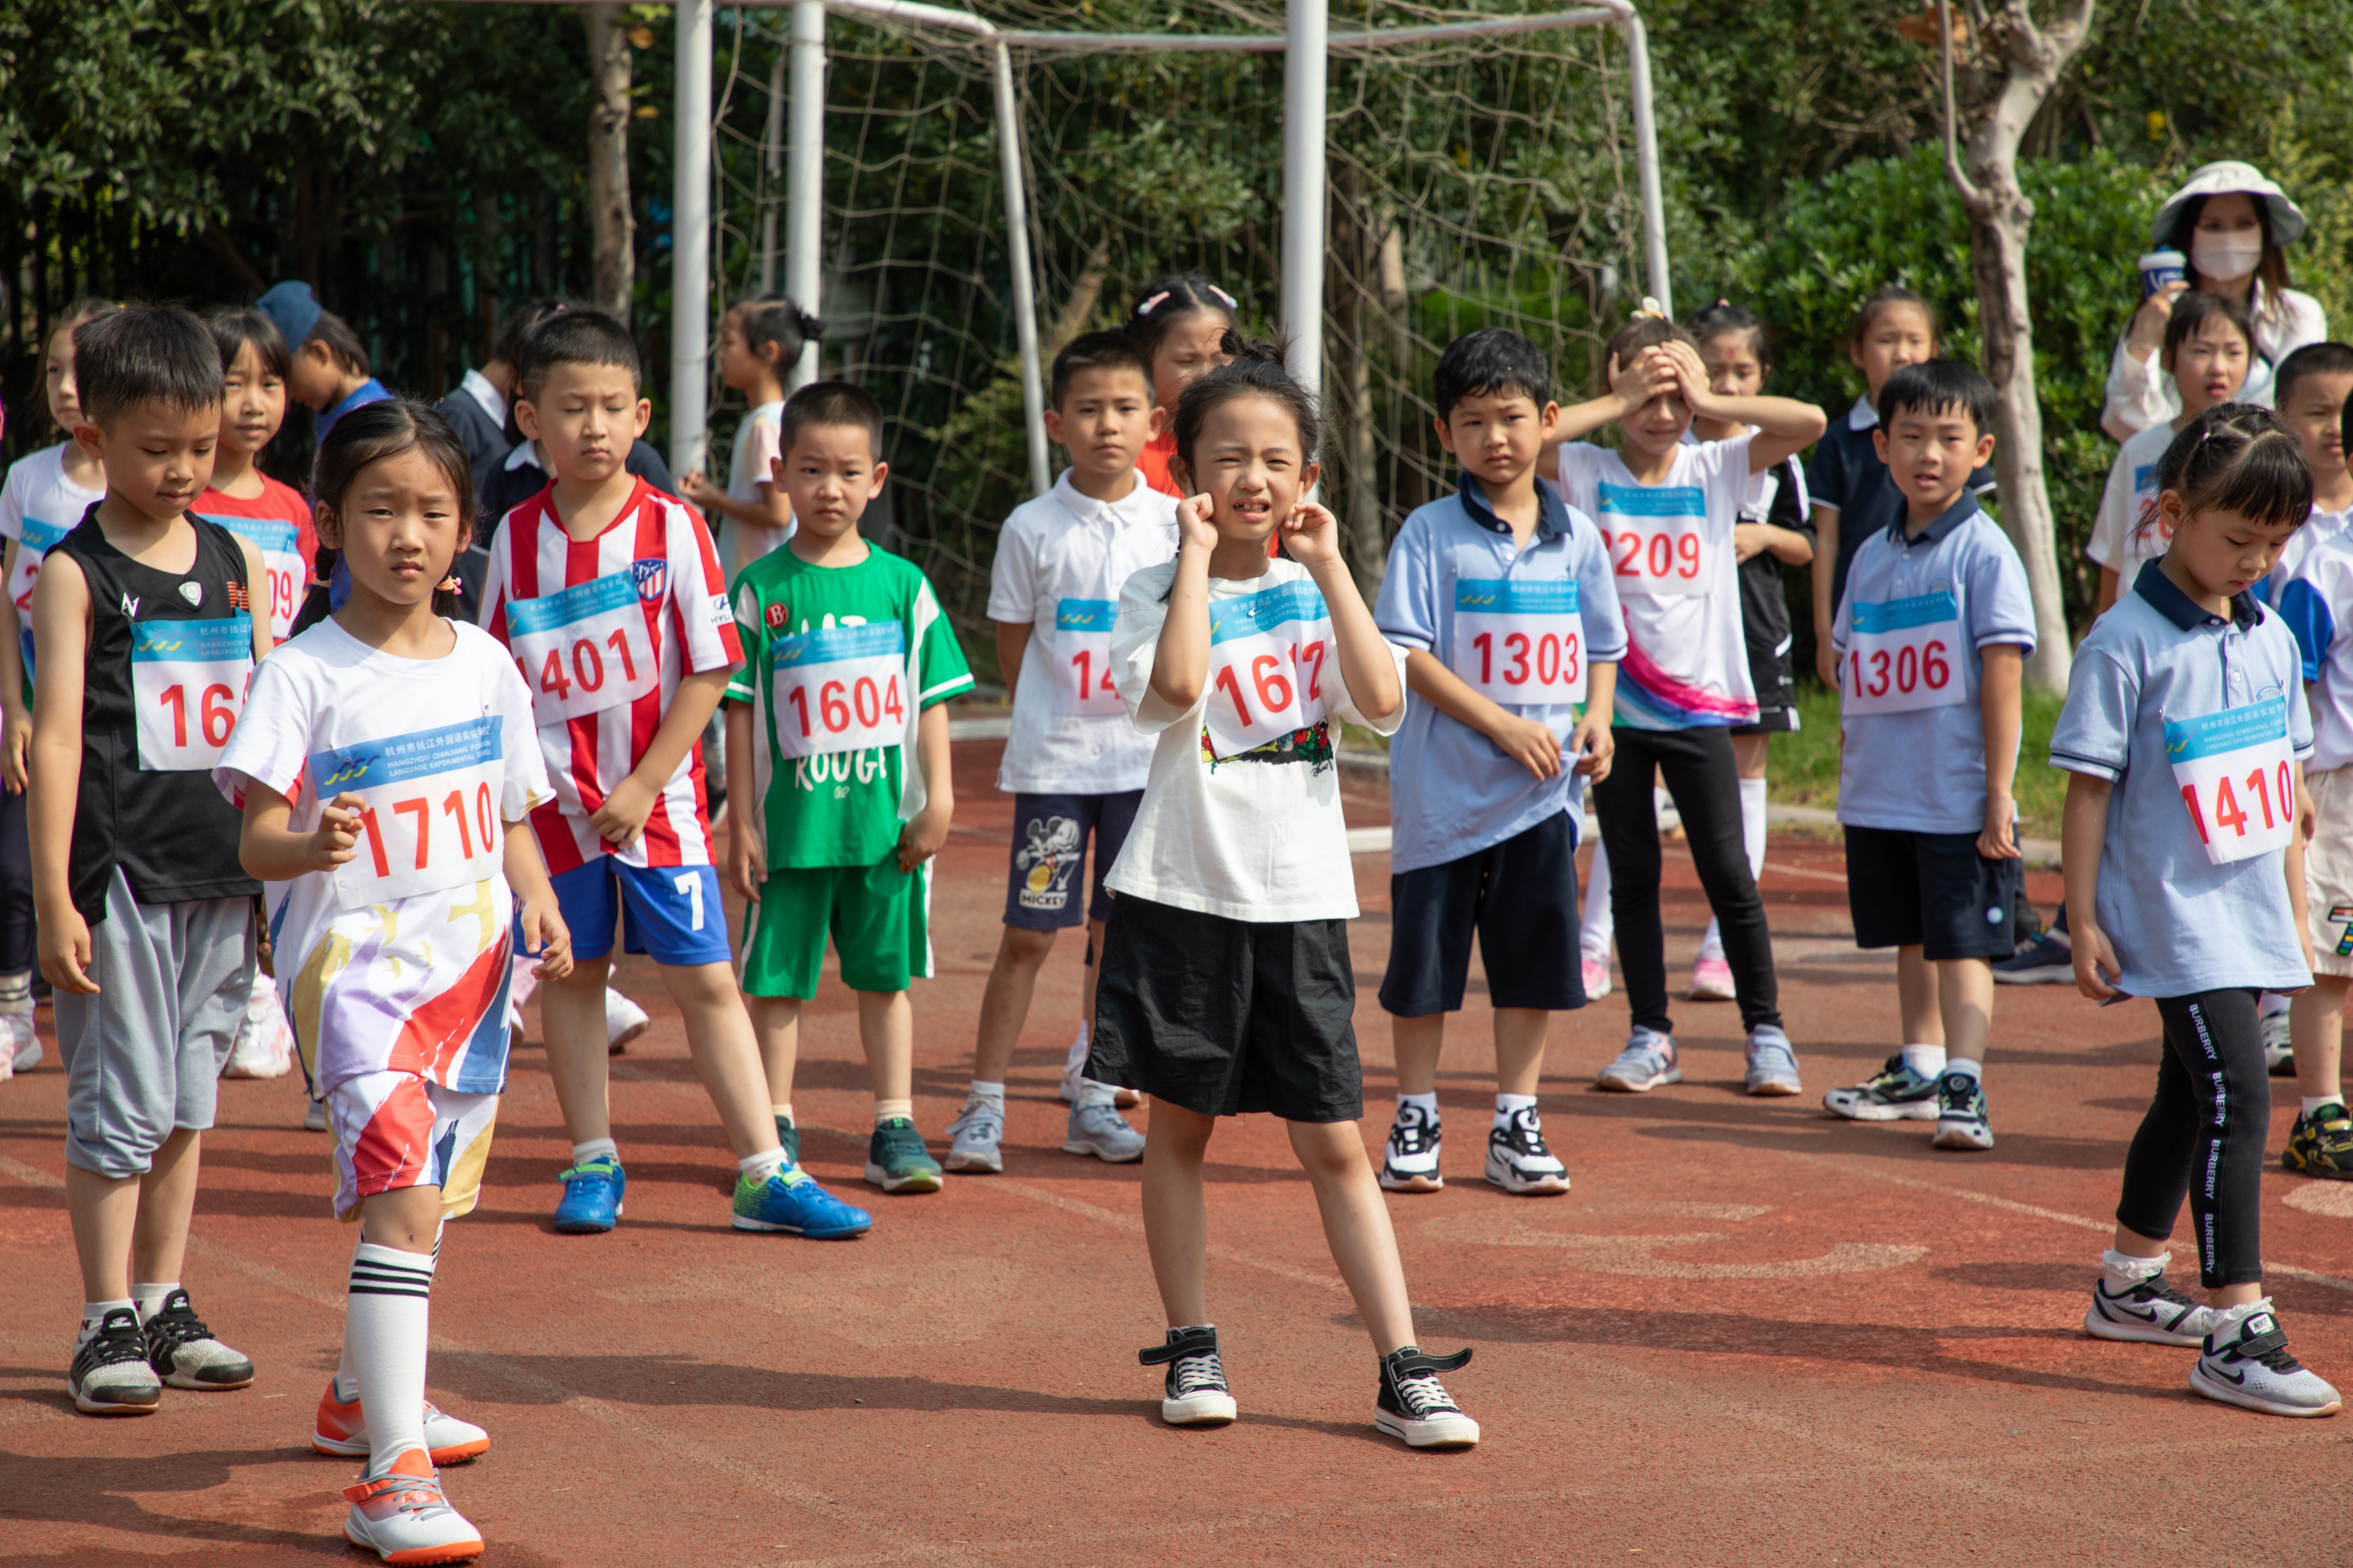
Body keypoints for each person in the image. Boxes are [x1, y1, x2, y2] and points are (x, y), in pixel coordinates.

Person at [1084, 333, 1480, 1449]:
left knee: (1335, 1141)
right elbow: (1172, 690)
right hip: (1181, 891)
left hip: (1300, 897)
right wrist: (1199, 565)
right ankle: (1192, 1341)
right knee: (1182, 1128)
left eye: (1275, 459)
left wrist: (1335, 568)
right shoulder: (1154, 585)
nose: (1251, 478)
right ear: (1184, 471)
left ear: (1308, 479)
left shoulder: (1320, 588)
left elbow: (1383, 701)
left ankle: (1402, 1366)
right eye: (1226, 457)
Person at [215, 400, 571, 1562]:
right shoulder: (304, 674)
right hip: (356, 978)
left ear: (466, 531)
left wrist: (538, 897)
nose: (405, 535)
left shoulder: (485, 663)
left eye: (431, 512)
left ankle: (359, 1396)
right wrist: (306, 844)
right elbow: (253, 839)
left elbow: (511, 806)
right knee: (404, 1194)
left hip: (474, 973)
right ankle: (391, 1476)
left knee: (429, 1201)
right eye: (379, 510)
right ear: (328, 524)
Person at [479, 308, 855, 1238]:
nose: (594, 427)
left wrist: (646, 782)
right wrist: (523, 802)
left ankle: (765, 1169)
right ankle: (592, 1159)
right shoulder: (514, 543)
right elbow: (492, 679)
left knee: (707, 981)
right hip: (555, 816)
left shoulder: (675, 527)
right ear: (530, 420)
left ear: (641, 415)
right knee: (574, 977)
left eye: (612, 407)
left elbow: (712, 662)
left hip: (660, 810)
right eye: (572, 408)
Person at [2056, 403, 2340, 1418]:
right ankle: (2237, 1326)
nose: (2254, 561)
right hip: (2173, 916)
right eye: (2236, 539)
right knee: (2242, 1100)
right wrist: (2082, 912)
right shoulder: (2124, 642)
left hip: (2249, 905)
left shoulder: (2265, 632)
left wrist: (2296, 819)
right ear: (2172, 514)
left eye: (2272, 543)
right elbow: (2087, 786)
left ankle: (2130, 1280)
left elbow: (2284, 759)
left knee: (2189, 1093)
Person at [29, 304, 270, 1416]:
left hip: (219, 873)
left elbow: (269, 723)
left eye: (201, 447)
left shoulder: (237, 564)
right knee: (116, 1103)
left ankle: (167, 1298)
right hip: (121, 878)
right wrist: (51, 897)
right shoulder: (78, 573)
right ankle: (102, 1314)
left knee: (187, 1100)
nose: (181, 470)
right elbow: (61, 737)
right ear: (99, 433)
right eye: (156, 449)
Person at [1544, 308, 1826, 1098]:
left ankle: (1766, 1032)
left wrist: (1711, 397)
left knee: (1728, 873)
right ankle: (1649, 1033)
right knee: (1631, 871)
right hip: (1617, 711)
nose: (1663, 416)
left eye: (1677, 400)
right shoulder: (1590, 470)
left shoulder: (1715, 466)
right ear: (1616, 384)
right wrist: (1622, 393)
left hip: (1702, 709)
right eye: (1647, 397)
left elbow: (1809, 422)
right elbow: (1530, 441)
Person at [1371, 326, 1623, 1195]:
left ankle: (1516, 1118)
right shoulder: (1429, 532)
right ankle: (1416, 1111)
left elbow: (1602, 643)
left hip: (1541, 799)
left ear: (1548, 421)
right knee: (1425, 972)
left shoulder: (1579, 537)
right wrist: (1502, 725)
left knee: (1528, 967)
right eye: (1472, 421)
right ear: (1444, 434)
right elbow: (1405, 651)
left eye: (1512, 417)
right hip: (1444, 800)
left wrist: (1597, 718)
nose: (1495, 437)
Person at [723, 381, 974, 1194]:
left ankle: (893, 1123)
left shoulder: (905, 587)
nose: (830, 487)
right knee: (779, 983)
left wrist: (938, 801)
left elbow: (931, 701)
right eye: (811, 469)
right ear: (781, 473)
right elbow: (736, 710)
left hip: (883, 833)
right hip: (791, 832)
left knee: (885, 979)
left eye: (848, 471)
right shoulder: (759, 589)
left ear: (878, 478)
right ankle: (777, 1118)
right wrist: (740, 823)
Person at [947, 331, 1173, 1175]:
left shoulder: (1171, 522)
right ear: (1056, 422)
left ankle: (1092, 1097)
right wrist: (1056, 716)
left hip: (1142, 769)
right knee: (1031, 935)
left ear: (1152, 421)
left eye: (1124, 409)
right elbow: (1014, 650)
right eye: (1088, 409)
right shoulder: (1031, 527)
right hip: (1058, 771)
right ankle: (983, 1103)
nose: (1107, 425)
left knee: (1116, 939)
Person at [1816, 361, 2033, 1150]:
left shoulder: (1982, 552)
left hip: (1955, 793)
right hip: (1882, 793)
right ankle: (1919, 1064)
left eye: (1947, 439)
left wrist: (1997, 794)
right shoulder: (1870, 554)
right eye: (1910, 436)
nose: (1928, 454)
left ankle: (1964, 1084)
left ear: (1980, 450)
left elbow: (2003, 679)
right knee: (1910, 935)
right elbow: (1854, 664)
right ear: (1880, 445)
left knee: (1963, 941)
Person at [193, 306, 316, 1084]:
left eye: (270, 383)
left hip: (275, 718)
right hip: (203, 719)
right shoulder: (185, 501)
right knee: (214, 862)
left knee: (274, 860)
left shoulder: (295, 508)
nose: (253, 401)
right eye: (234, 382)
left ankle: (267, 997)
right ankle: (225, 995)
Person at [0, 298, 116, 1081]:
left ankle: (111, 1014)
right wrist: (14, 706)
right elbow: (7, 603)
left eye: (84, 369)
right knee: (15, 865)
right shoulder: (27, 480)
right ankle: (14, 1012)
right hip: (38, 711)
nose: (68, 386)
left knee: (100, 867)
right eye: (53, 371)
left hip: (111, 725)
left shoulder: (146, 482)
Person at [1685, 301, 1814, 1001]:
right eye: (1715, 370)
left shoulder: (1775, 460)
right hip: (1678, 641)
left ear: (1762, 376)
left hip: (1755, 634)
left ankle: (1719, 948)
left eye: (1742, 371)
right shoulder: (1666, 451)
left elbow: (1804, 546)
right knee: (1652, 790)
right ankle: (1596, 939)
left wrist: (1760, 537)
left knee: (1744, 784)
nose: (1729, 384)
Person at [1808, 287, 1996, 692]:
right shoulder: (1837, 442)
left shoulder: (1958, 434)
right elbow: (1824, 542)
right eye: (1886, 340)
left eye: (1914, 340)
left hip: (1940, 616)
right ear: (1857, 352)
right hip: (1868, 615)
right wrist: (1825, 635)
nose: (1901, 353)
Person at [2265, 352, 2353, 1176]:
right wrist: (2291, 773)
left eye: (2346, 410)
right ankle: (2318, 1106)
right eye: (2315, 410)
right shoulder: (2298, 548)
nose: (2334, 428)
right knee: (2330, 949)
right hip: (2329, 779)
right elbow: (2289, 674)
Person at [2104, 161, 2327, 441]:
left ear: (2265, 232)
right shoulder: (2158, 315)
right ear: (2188, 235)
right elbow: (2127, 423)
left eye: (2244, 224)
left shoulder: (2298, 315)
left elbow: (2293, 410)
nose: (2229, 238)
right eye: (2213, 226)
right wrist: (2141, 345)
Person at [2089, 291, 2254, 614]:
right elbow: (2111, 555)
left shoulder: (2255, 454)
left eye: (2233, 352)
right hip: (2137, 623)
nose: (2218, 367)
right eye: (2202, 351)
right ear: (2168, 359)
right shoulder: (2139, 450)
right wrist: (2102, 626)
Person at [680, 292, 821, 581]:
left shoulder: (766, 425)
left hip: (762, 586)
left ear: (768, 352)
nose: (721, 354)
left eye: (729, 342)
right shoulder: (768, 419)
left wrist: (718, 499)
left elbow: (777, 513)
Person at [1124, 275, 1239, 499]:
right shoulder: (1127, 455)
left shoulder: (1252, 441)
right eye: (1187, 361)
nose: (1208, 374)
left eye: (1220, 359)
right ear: (1142, 360)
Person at [253, 281, 392, 443]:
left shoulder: (370, 420)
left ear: (320, 353)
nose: (288, 396)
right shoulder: (331, 414)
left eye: (288, 379)